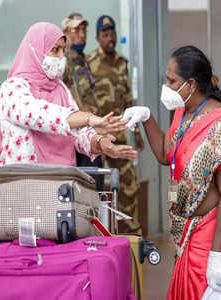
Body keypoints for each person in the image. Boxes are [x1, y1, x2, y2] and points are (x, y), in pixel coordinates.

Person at [122, 46, 221, 300]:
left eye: (172, 81)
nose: (166, 86)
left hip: (211, 235)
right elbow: (165, 154)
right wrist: (146, 117)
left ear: (191, 84)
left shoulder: (220, 123)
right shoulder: (183, 112)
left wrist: (216, 257)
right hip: (187, 233)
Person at [0, 22, 138, 168]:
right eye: (55, 50)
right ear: (35, 50)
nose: (61, 57)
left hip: (62, 182)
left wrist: (99, 143)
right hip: (25, 185)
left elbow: (76, 134)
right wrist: (88, 118)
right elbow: (38, 115)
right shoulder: (12, 88)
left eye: (63, 50)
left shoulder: (61, 89)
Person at [87, 15, 144, 233]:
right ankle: (98, 235)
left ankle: (133, 234)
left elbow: (128, 100)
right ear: (98, 37)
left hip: (120, 137)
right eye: (105, 34)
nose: (110, 38)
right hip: (97, 139)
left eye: (112, 33)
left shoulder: (122, 63)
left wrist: (136, 131)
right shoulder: (89, 64)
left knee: (130, 187)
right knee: (95, 189)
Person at [61, 13, 103, 188]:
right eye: (76, 30)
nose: (82, 34)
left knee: (96, 186)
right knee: (86, 188)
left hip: (91, 131)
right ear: (66, 33)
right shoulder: (63, 61)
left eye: (84, 29)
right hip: (76, 135)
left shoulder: (82, 60)